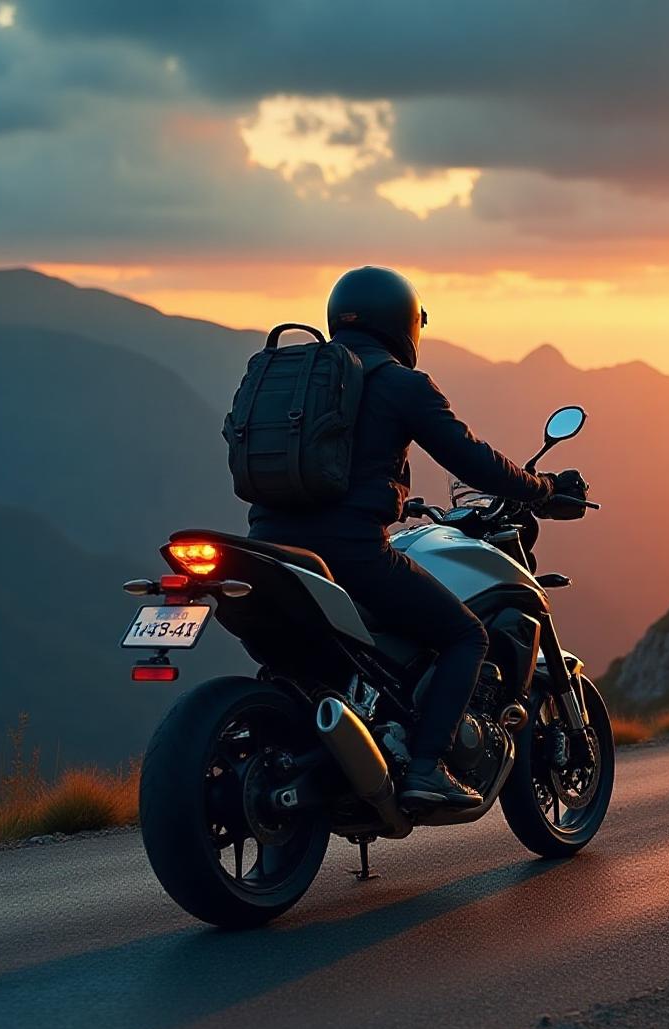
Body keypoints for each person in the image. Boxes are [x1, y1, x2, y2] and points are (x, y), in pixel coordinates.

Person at [249, 266, 583, 809]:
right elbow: (472, 458)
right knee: (464, 636)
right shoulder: (400, 384)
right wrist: (542, 489)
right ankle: (426, 767)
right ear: (405, 323)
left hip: (269, 550)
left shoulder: (300, 380)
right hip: (351, 553)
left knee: (309, 666)